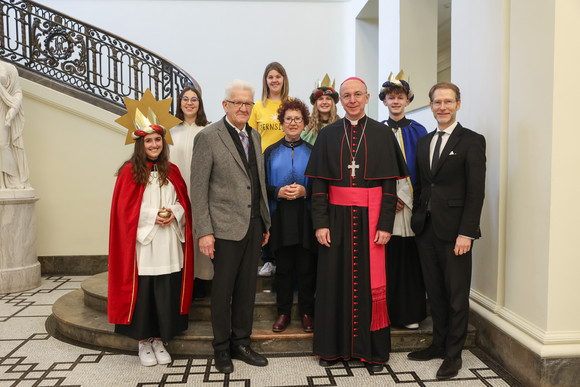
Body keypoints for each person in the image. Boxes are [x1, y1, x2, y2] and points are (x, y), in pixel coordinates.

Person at [305, 77, 409, 372]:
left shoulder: (381, 133)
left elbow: (389, 185)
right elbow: (320, 186)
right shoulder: (327, 135)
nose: (352, 100)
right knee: (332, 283)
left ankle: (373, 353)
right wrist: (320, 223)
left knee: (369, 285)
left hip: (371, 220)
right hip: (335, 221)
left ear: (366, 99)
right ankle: (331, 349)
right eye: (346, 95)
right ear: (341, 100)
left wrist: (386, 224)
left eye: (357, 95)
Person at [190, 79, 271, 374]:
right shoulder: (209, 137)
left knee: (248, 289)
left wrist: (264, 221)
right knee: (223, 291)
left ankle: (242, 342)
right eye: (237, 102)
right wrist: (204, 231)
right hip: (223, 229)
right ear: (225, 105)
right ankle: (221, 348)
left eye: (248, 103)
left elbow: (257, 181)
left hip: (253, 226)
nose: (243, 108)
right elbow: (198, 190)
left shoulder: (255, 135)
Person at [408, 82, 486, 380]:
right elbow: (423, 185)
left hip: (456, 234)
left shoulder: (472, 141)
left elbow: (475, 192)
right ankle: (438, 344)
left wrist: (467, 233)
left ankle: (454, 355)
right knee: (436, 293)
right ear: (430, 106)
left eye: (448, 101)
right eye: (437, 102)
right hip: (426, 229)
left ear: (458, 104)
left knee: (456, 296)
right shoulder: (424, 142)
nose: (442, 107)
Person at [108, 102, 194, 367]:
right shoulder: (128, 173)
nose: (154, 144)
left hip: (168, 242)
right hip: (143, 246)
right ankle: (143, 342)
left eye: (158, 139)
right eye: (149, 141)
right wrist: (150, 217)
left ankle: (159, 339)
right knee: (145, 293)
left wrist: (174, 212)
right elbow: (124, 212)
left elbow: (184, 205)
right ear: (140, 143)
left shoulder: (174, 172)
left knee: (166, 290)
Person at [378, 71, 427, 330]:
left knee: (411, 260)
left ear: (408, 101)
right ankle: (384, 312)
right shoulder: (375, 131)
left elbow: (426, 170)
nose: (395, 101)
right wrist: (388, 198)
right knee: (387, 260)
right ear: (384, 101)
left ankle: (410, 313)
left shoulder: (420, 131)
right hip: (385, 204)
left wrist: (412, 199)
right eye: (390, 97)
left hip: (412, 204)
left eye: (400, 97)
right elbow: (371, 170)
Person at [264, 99, 315, 333]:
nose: (293, 123)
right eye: (288, 119)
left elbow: (322, 186)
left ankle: (306, 313)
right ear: (281, 123)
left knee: (306, 268)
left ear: (304, 123)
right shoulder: (270, 152)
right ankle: (283, 313)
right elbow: (261, 186)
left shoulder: (313, 152)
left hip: (306, 216)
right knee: (283, 269)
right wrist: (278, 191)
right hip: (280, 217)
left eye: (298, 119)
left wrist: (307, 190)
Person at [170, 85, 212, 299]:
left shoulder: (207, 130)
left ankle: (202, 282)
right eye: (185, 99)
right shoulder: (170, 131)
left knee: (200, 236)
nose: (189, 102)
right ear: (179, 103)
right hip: (176, 194)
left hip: (201, 194)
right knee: (178, 237)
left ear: (200, 103)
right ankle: (180, 280)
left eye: (193, 99)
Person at [249, 61, 290, 277]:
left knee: (283, 210)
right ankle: (267, 259)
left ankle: (284, 257)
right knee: (266, 211)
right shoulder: (258, 106)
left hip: (286, 162)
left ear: (284, 79)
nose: (274, 80)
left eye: (278, 76)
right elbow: (252, 137)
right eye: (270, 77)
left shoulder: (290, 103)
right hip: (263, 164)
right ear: (265, 80)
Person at [0, 60, 31, 189]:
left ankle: (12, 180)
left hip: (3, 109)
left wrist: (13, 109)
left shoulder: (9, 68)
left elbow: (17, 92)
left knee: (3, 145)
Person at [301, 74, 340, 145]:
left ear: (333, 103)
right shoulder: (306, 125)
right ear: (316, 103)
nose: (324, 102)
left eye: (328, 99)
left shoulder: (340, 125)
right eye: (321, 99)